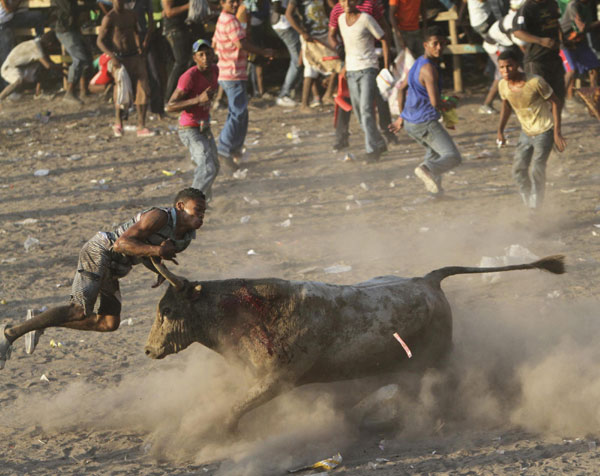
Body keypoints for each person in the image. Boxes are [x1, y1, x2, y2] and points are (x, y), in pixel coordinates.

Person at [0, 188, 207, 370]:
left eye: (204, 212)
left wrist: (159, 269)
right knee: (78, 310)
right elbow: (121, 244)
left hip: (115, 268)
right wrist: (157, 251)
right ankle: (9, 334)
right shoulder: (159, 217)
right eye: (197, 210)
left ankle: (40, 320)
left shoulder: (184, 239)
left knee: (109, 323)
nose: (201, 216)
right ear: (180, 206)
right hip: (101, 251)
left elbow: (147, 252)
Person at [389, 27, 462, 195]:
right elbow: (435, 102)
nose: (439, 47)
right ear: (425, 45)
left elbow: (401, 89)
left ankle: (436, 193)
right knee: (452, 156)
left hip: (410, 123)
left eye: (442, 44)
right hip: (425, 122)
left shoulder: (418, 62)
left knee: (435, 153)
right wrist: (449, 104)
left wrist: (402, 117)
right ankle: (426, 169)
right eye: (435, 44)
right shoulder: (429, 69)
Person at [496, 49, 566, 210]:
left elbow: (555, 102)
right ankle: (529, 203)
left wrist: (557, 132)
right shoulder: (503, 85)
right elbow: (506, 107)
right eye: (501, 67)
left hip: (545, 129)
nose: (505, 71)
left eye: (509, 66)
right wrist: (500, 130)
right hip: (526, 132)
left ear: (517, 66)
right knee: (518, 170)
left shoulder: (535, 82)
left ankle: (535, 209)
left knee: (537, 168)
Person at [213, 0, 275, 169]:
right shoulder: (231, 20)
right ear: (222, 2)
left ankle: (234, 149)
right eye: (230, 1)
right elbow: (241, 43)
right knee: (238, 113)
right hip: (232, 73)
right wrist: (263, 51)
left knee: (239, 112)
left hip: (230, 71)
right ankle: (224, 149)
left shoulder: (223, 18)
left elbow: (215, 43)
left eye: (236, 1)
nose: (234, 4)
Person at [328, 0, 398, 151]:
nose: (346, 3)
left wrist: (387, 64)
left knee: (375, 102)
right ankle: (345, 137)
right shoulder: (338, 12)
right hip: (350, 64)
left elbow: (384, 31)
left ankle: (377, 144)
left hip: (371, 61)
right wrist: (339, 49)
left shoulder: (369, 7)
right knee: (357, 108)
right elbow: (332, 35)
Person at [166, 40, 220, 201]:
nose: (205, 58)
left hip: (204, 125)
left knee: (214, 167)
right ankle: (189, 205)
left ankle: (203, 202)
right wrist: (197, 100)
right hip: (189, 128)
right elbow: (170, 106)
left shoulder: (215, 70)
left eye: (208, 53)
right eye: (201, 55)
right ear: (194, 58)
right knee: (207, 167)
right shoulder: (189, 77)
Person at [338, 0, 389, 161]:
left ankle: (372, 150)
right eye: (343, 0)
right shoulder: (340, 20)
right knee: (360, 113)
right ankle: (379, 142)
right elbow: (348, 46)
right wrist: (345, 65)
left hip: (368, 67)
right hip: (351, 70)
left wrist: (385, 66)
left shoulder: (366, 18)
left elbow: (383, 38)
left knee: (367, 110)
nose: (346, 3)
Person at [97, 0, 155, 137]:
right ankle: (119, 123)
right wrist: (112, 56)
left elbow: (136, 32)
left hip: (134, 55)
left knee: (143, 88)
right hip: (119, 57)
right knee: (121, 90)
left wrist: (140, 47)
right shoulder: (109, 18)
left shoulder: (131, 15)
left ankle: (141, 125)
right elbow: (99, 41)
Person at [513, 0, 566, 111]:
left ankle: (556, 127)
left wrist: (563, 39)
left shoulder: (552, 3)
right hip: (536, 59)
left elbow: (556, 22)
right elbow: (517, 32)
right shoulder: (527, 8)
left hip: (553, 56)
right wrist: (540, 40)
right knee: (537, 97)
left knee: (558, 95)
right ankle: (537, 127)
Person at [286, 0, 340, 108]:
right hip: (310, 36)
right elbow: (288, 14)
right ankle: (305, 104)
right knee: (310, 68)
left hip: (325, 33)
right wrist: (302, 32)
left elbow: (330, 6)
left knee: (337, 62)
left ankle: (328, 94)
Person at [52, 0, 93, 103]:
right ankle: (70, 92)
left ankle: (84, 91)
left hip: (72, 28)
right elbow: (69, 9)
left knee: (87, 57)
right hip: (65, 29)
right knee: (79, 60)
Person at [0, 32, 60, 102]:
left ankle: (38, 94)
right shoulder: (37, 48)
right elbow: (48, 65)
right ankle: (1, 97)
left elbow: (48, 63)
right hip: (9, 68)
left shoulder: (38, 43)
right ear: (50, 44)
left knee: (41, 66)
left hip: (21, 67)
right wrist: (64, 69)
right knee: (19, 80)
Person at [0, 0, 46, 90]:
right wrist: (18, 2)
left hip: (10, 19)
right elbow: (8, 9)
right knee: (6, 55)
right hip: (3, 24)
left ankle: (38, 41)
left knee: (37, 16)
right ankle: (9, 88)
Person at [559, 0, 600, 100]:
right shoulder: (573, 5)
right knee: (571, 70)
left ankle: (593, 98)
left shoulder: (590, 3)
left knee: (594, 67)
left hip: (580, 40)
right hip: (566, 42)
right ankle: (560, 99)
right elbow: (581, 27)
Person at [271, 0, 302, 105]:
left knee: (297, 59)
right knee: (297, 60)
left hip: (285, 24)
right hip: (284, 25)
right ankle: (284, 94)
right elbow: (277, 8)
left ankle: (292, 90)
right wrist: (293, 14)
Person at [162, 0, 191, 101]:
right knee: (181, 62)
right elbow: (169, 12)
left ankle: (179, 95)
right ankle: (170, 97)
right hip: (174, 29)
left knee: (185, 62)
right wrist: (189, 6)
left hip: (184, 28)